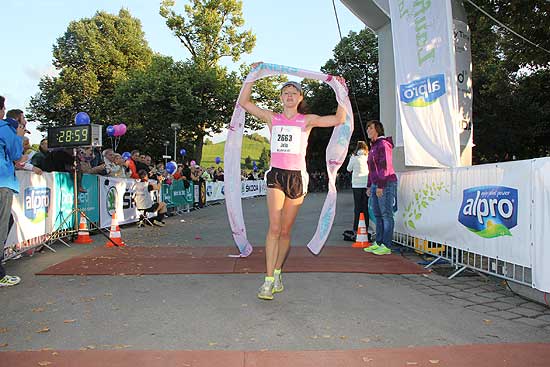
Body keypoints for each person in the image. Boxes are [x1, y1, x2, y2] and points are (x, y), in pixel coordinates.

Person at [238, 63, 347, 300]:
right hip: (276, 174)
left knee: (286, 231)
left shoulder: (307, 120)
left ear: (300, 97)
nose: (289, 96)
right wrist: (253, 76)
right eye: (285, 92)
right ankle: (267, 281)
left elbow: (339, 118)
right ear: (280, 97)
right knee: (274, 228)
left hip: (298, 177)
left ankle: (277, 272)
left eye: (293, 93)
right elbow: (244, 102)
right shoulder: (272, 117)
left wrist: (340, 89)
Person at [0, 96, 26, 287]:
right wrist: (18, 135)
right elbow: (17, 156)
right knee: (2, 226)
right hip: (2, 183)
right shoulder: (5, 129)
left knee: (7, 221)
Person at [364, 120, 397, 256]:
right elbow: (371, 169)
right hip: (376, 183)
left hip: (386, 183)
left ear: (377, 129)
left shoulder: (383, 144)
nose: (368, 130)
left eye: (371, 128)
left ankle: (386, 245)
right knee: (377, 215)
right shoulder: (373, 146)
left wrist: (381, 185)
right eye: (367, 128)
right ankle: (378, 242)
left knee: (386, 214)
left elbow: (385, 166)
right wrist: (369, 185)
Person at [346, 140, 369, 238]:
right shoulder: (368, 157)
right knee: (365, 207)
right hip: (366, 184)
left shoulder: (354, 157)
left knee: (357, 208)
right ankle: (365, 228)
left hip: (356, 185)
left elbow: (348, 169)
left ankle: (356, 228)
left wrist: (352, 159)